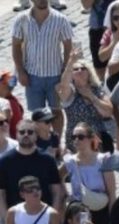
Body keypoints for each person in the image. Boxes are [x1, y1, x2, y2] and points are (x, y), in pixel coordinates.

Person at [11, 0, 74, 134]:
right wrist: (21, 71)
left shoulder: (60, 20)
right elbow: (16, 46)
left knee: (56, 112)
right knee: (36, 114)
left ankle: (56, 142)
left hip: (55, 75)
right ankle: (40, 142)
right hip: (32, 76)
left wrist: (65, 72)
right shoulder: (21, 20)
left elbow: (68, 46)